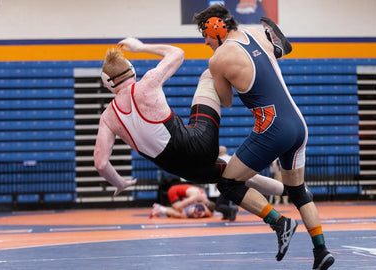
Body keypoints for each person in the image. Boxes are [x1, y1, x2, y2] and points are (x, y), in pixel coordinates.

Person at [193, 5, 334, 269]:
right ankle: (321, 250)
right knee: (298, 191)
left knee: (229, 184)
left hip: (273, 128)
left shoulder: (219, 59)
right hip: (298, 125)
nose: (205, 42)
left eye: (205, 36)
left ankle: (279, 222)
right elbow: (274, 53)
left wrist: (214, 77)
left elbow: (227, 101)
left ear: (216, 27)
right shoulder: (256, 34)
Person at [94, 38, 286, 210]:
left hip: (185, 171)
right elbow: (177, 53)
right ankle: (267, 57)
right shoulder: (147, 84)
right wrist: (141, 47)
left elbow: (101, 164)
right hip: (200, 144)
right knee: (210, 73)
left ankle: (288, 191)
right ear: (132, 70)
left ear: (108, 84)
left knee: (234, 174)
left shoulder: (108, 118)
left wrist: (120, 183)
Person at [150, 184, 215, 219]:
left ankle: (162, 209)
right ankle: (160, 208)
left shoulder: (203, 196)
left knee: (182, 212)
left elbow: (210, 212)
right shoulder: (196, 197)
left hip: (180, 192)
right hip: (173, 192)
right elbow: (179, 206)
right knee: (182, 215)